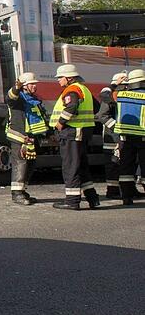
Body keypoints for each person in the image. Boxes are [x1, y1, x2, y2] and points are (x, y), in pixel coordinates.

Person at [49, 64, 100, 210]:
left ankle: (72, 201)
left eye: (60, 78)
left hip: (72, 132)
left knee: (70, 166)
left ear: (69, 78)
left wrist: (60, 123)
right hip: (81, 133)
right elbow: (96, 108)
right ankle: (92, 198)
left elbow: (71, 107)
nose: (58, 80)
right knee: (81, 166)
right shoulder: (84, 89)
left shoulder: (72, 90)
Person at [5, 72, 48, 205]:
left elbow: (40, 117)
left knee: (30, 164)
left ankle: (22, 190)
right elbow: (10, 97)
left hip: (31, 137)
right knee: (20, 164)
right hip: (19, 137)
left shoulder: (34, 100)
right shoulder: (18, 99)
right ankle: (16, 193)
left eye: (35, 84)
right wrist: (16, 88)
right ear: (24, 86)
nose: (35, 86)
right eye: (32, 84)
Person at [112, 69, 145, 205]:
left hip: (125, 138)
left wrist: (116, 85)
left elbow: (110, 96)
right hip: (143, 137)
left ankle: (126, 198)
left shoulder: (121, 95)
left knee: (126, 169)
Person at [97, 72, 127, 199]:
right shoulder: (109, 97)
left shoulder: (121, 97)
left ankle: (127, 189)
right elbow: (102, 116)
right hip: (111, 136)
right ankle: (112, 190)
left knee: (124, 163)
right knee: (112, 164)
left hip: (121, 135)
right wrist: (117, 127)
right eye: (124, 86)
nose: (126, 88)